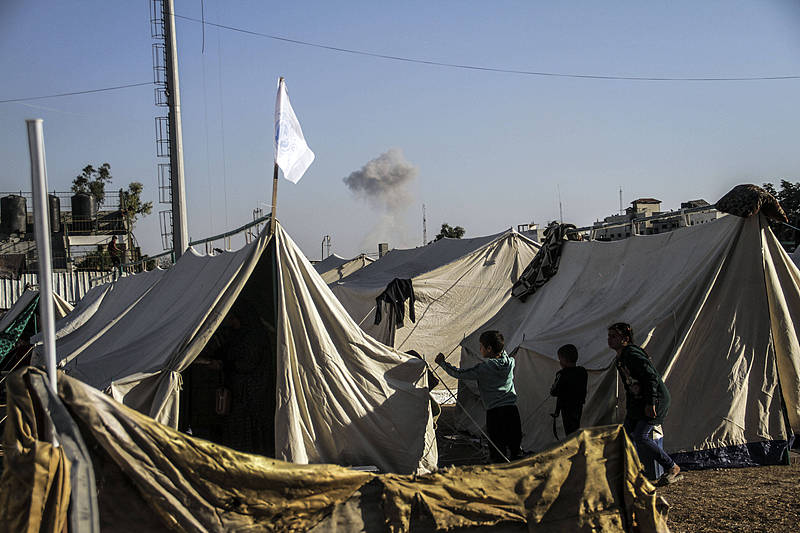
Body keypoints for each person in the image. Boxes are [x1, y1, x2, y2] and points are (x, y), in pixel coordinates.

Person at [608, 322, 682, 485]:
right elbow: (630, 386)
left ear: (625, 339)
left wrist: (651, 403)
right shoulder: (620, 358)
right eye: (609, 336)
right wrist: (630, 410)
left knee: (641, 436)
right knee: (626, 435)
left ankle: (672, 467)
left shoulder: (633, 355)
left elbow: (651, 378)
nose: (610, 340)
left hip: (655, 399)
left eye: (614, 336)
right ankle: (631, 472)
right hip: (639, 401)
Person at [435, 330, 522, 462]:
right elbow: (505, 356)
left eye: (481, 346)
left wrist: (442, 363)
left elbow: (460, 373)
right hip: (512, 411)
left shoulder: (485, 368)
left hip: (495, 413)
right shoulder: (510, 362)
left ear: (489, 348)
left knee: (497, 448)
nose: (479, 349)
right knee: (515, 447)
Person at [550, 344, 588, 436]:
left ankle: (573, 447)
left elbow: (554, 392)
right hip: (578, 405)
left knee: (570, 431)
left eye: (560, 359)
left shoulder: (562, 374)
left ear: (563, 360)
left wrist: (553, 389)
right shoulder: (582, 371)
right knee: (575, 428)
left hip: (567, 407)